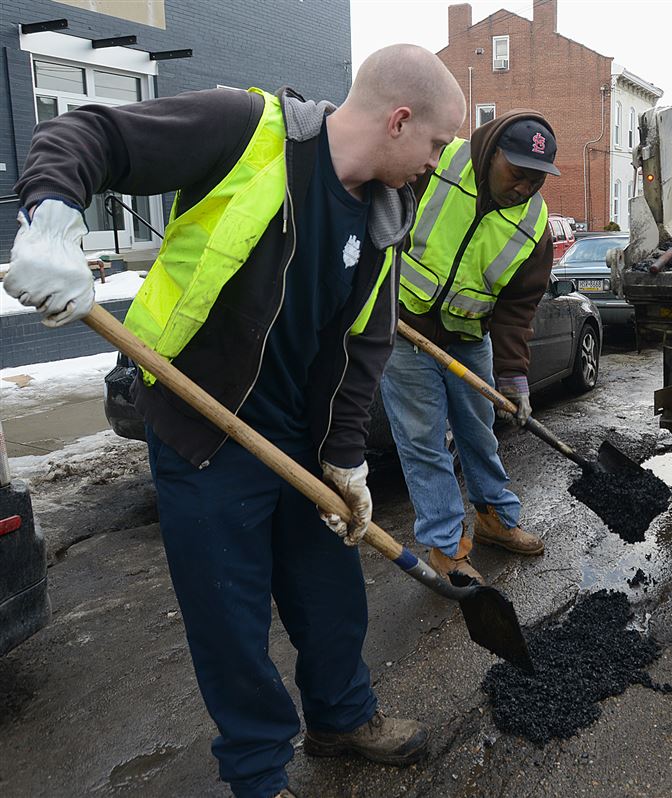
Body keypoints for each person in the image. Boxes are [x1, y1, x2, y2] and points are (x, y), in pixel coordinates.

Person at [3, 45, 466, 798]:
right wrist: (53, 222)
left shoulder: (387, 210)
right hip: (205, 428)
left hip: (299, 441)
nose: (435, 163)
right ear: (399, 119)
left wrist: (345, 459)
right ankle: (257, 774)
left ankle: (342, 719)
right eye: (437, 145)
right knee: (230, 617)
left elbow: (364, 345)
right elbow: (88, 134)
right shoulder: (246, 128)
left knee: (331, 592)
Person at [380, 111, 560, 585]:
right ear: (493, 152)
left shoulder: (534, 225)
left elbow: (517, 309)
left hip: (468, 336)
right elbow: (382, 220)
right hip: (404, 328)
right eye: (516, 174)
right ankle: (444, 546)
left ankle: (494, 518)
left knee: (480, 434)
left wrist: (515, 379)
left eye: (535, 180)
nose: (523, 188)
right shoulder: (437, 163)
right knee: (424, 442)